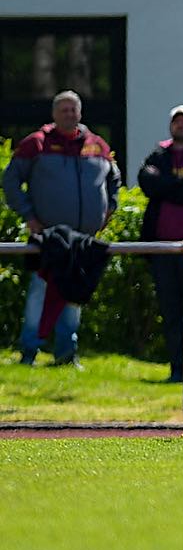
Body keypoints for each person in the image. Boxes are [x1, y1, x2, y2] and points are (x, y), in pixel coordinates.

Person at [5, 90, 122, 366]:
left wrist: (110, 209)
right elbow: (10, 181)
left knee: (74, 292)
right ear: (54, 114)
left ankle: (67, 353)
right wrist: (28, 216)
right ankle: (29, 352)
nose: (69, 114)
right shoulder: (36, 143)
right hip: (46, 237)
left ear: (80, 113)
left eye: (73, 109)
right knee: (40, 291)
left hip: (83, 240)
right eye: (64, 110)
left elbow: (114, 181)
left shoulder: (98, 145)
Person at [137, 105, 183, 382]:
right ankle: (177, 369)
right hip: (163, 249)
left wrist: (168, 186)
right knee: (171, 310)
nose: (180, 126)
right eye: (176, 122)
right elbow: (146, 182)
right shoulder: (159, 153)